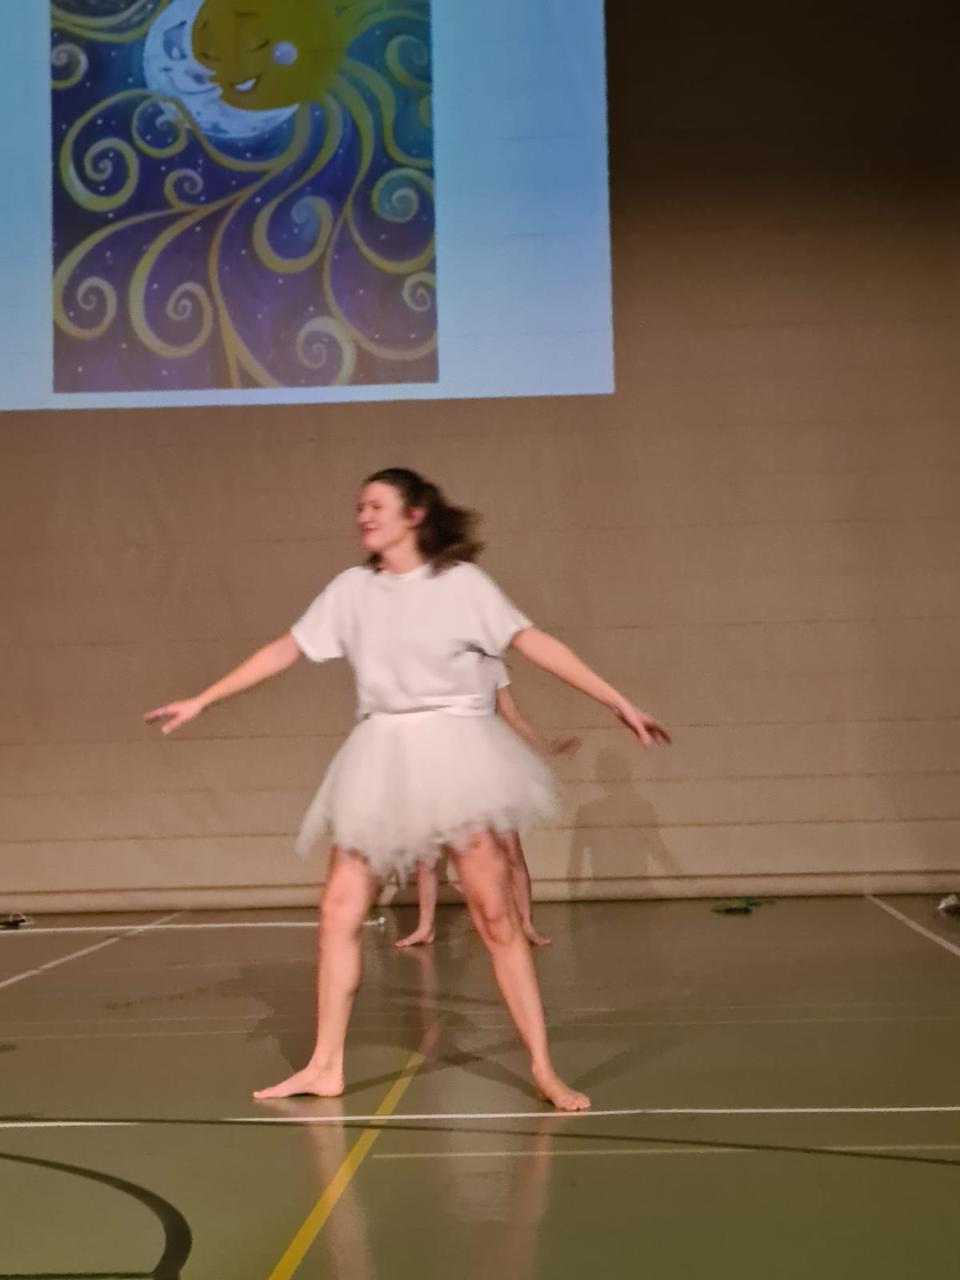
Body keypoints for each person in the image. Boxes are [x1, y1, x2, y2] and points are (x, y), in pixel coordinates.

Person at [145, 467, 670, 1112]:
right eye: (359, 507)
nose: (363, 516)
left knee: (495, 917)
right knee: (338, 910)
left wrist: (616, 700)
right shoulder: (351, 590)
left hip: (458, 753)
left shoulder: (462, 584)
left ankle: (542, 1066)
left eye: (377, 505)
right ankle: (325, 1064)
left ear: (415, 514)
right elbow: (286, 648)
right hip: (382, 753)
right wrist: (204, 698)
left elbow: (535, 643)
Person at [394, 660, 578, 949]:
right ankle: (425, 926)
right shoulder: (442, 662)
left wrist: (546, 744)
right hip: (446, 762)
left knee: (509, 846)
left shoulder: (492, 666)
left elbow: (513, 716)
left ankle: (526, 924)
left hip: (488, 762)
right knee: (427, 851)